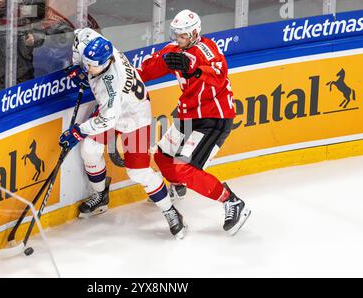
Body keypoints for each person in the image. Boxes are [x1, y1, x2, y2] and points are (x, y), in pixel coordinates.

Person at [59, 28, 187, 239]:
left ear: (104, 64)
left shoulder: (111, 88)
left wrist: (78, 131)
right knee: (90, 150)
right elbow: (80, 33)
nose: (87, 68)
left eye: (91, 66)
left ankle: (170, 211)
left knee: (138, 173)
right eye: (87, 63)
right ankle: (100, 195)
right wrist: (76, 65)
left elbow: (106, 119)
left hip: (135, 117)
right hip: (118, 107)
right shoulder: (97, 47)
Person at [136, 9, 251, 236]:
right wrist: (125, 73)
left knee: (184, 167)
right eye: (175, 34)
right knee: (162, 157)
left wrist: (195, 70)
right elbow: (149, 69)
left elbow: (219, 74)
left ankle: (232, 202)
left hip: (213, 118)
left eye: (182, 36)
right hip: (187, 116)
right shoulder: (174, 51)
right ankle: (178, 185)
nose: (177, 40)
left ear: (195, 33)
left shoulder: (206, 50)